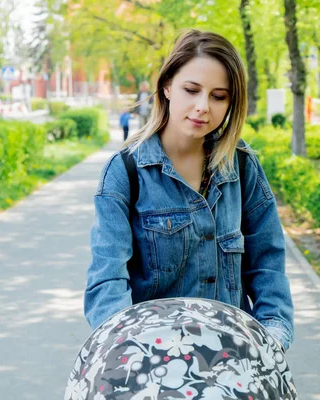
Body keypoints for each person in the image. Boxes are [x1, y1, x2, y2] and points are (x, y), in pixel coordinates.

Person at [84, 29, 294, 354]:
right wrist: (130, 349)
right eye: (191, 90)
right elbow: (107, 278)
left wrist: (272, 336)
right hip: (152, 365)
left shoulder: (241, 166)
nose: (202, 107)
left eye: (218, 96)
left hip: (234, 363)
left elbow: (267, 263)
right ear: (167, 86)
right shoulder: (126, 171)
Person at [66, 298, 298, 399]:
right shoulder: (123, 194)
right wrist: (123, 345)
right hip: (147, 365)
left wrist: (270, 341)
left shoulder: (248, 194)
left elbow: (268, 271)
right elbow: (107, 283)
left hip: (232, 359)